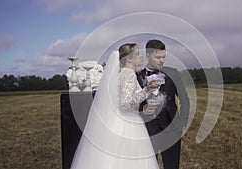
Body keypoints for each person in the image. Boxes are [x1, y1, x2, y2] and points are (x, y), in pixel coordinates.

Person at [70, 43, 160, 169]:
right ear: (129, 58)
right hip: (128, 123)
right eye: (138, 53)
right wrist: (146, 90)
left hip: (118, 120)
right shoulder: (128, 74)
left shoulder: (122, 73)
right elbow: (124, 103)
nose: (141, 56)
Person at [137, 39, 190, 169]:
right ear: (148, 55)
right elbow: (133, 103)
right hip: (148, 131)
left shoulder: (173, 73)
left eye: (164, 57)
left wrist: (181, 124)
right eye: (158, 57)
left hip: (172, 130)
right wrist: (143, 109)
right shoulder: (137, 77)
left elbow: (185, 100)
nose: (162, 60)